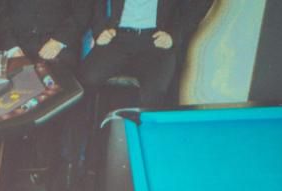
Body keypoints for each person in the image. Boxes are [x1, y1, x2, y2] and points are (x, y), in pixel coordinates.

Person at [79, 0, 213, 111]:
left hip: (156, 41)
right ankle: (85, 141)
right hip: (117, 37)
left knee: (155, 94)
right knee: (83, 82)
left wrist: (175, 35)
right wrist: (99, 29)